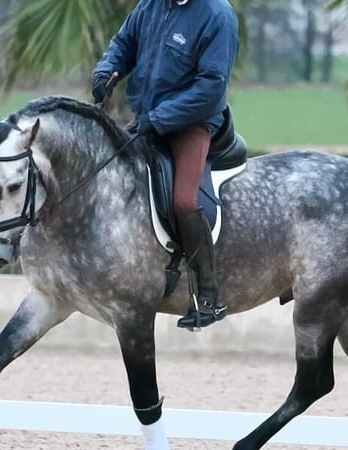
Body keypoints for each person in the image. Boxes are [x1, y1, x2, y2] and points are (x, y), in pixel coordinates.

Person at [91, 0, 239, 330]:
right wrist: (104, 71)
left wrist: (158, 119)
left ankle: (208, 296)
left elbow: (211, 87)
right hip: (146, 118)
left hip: (192, 122)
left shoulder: (218, 15)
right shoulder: (151, 5)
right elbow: (124, 43)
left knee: (184, 201)